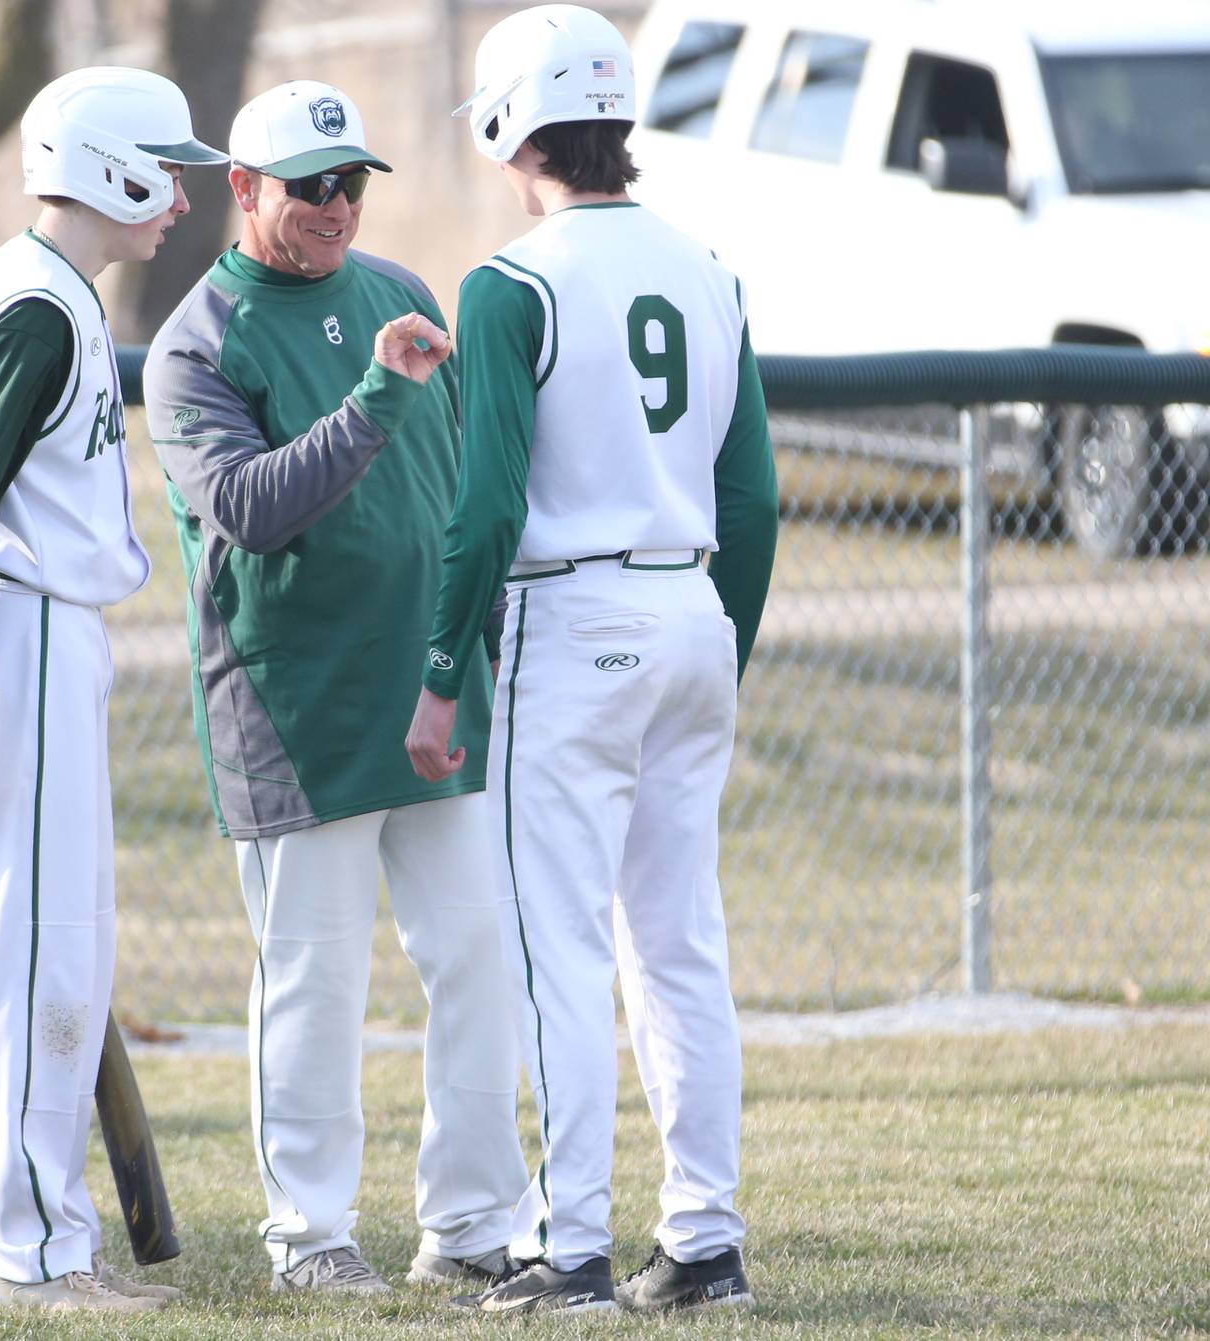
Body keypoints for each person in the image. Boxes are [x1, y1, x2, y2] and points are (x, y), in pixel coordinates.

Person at [405, 3, 778, 1316]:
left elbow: (485, 504)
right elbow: (753, 500)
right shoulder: (707, 267)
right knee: (679, 944)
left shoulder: (512, 283)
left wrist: (443, 669)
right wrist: (722, 644)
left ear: (514, 126)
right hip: (690, 608)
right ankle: (705, 1239)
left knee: (556, 947)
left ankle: (569, 1248)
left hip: (572, 619)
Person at [142, 79, 529, 1296]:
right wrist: (373, 397)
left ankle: (471, 1227)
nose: (335, 205)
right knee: (315, 982)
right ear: (240, 189)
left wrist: (477, 648)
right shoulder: (194, 341)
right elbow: (248, 509)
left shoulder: (400, 292)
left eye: (350, 181)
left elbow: (459, 485)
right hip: (295, 709)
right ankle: (311, 1240)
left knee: (480, 960)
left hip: (434, 693)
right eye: (308, 185)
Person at [0, 66, 226, 1313]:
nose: (181, 201)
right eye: (167, 174)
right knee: (32, 958)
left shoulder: (59, 296)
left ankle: (55, 1239)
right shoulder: (37, 308)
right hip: (20, 637)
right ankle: (32, 1256)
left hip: (53, 635)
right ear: (109, 169)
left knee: (65, 950)